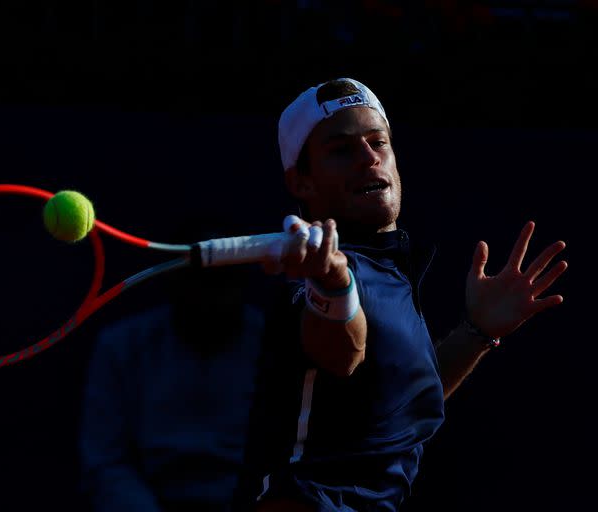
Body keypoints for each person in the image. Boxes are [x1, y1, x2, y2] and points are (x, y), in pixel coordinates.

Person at [232, 77, 568, 512]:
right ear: (302, 183)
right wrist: (332, 284)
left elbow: (397, 406)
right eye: (341, 150)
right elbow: (340, 352)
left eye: (379, 142)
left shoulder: (387, 267)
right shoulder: (318, 277)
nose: (369, 158)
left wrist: (476, 332)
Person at [78, 225, 267, 512]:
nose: (210, 299)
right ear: (173, 282)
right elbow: (105, 462)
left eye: (222, 282)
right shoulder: (120, 347)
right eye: (199, 281)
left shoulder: (273, 345)